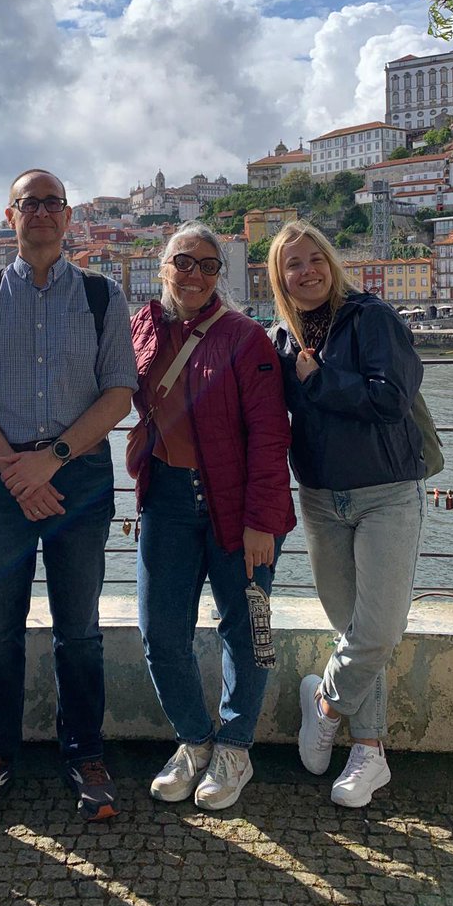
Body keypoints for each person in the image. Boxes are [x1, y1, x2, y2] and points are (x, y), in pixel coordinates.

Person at [0, 168, 137, 826]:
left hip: (76, 473)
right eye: (31, 203)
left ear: (70, 215)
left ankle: (85, 755)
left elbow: (118, 394)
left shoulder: (103, 295)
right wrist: (14, 469)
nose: (44, 212)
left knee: (79, 632)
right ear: (11, 214)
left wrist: (48, 462)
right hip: (0, 482)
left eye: (54, 202)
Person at [128, 223, 295, 810]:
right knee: (159, 633)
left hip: (236, 500)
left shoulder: (245, 339)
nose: (194, 274)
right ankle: (195, 741)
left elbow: (272, 435)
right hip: (166, 501)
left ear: (220, 275)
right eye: (183, 262)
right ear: (163, 266)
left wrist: (262, 521)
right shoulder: (142, 327)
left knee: (249, 630)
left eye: (207, 265)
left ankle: (235, 747)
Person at [267, 220, 427, 808]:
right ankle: (370, 751)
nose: (306, 270)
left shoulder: (373, 318)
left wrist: (320, 379)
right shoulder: (280, 340)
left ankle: (325, 704)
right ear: (279, 277)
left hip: (387, 491)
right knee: (352, 629)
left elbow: (391, 400)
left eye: (315, 259)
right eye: (293, 264)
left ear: (331, 263)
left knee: (378, 629)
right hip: (319, 498)